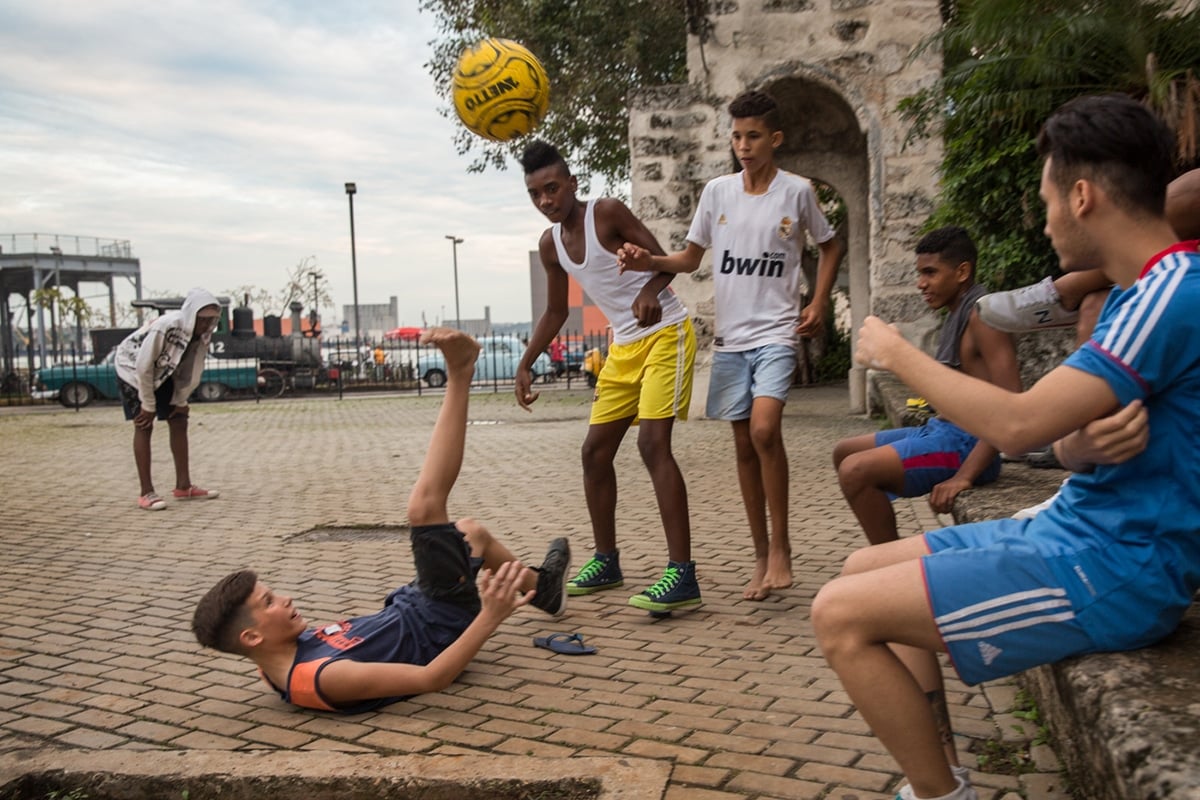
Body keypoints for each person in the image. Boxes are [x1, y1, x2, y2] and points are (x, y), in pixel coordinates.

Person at [811, 93, 1200, 800]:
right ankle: (942, 768)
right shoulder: (1138, 294)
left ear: (1081, 196)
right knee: (859, 566)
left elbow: (1021, 427)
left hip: (1116, 569)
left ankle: (939, 793)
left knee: (838, 614)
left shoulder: (1171, 294)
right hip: (1073, 529)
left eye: (1047, 197)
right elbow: (1077, 440)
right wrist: (1091, 440)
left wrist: (897, 354)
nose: (1046, 217)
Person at [192, 328, 571, 713]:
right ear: (253, 636)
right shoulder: (321, 679)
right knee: (424, 510)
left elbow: (260, 655)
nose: (285, 598)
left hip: (414, 606)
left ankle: (544, 588)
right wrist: (490, 616)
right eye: (269, 601)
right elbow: (432, 679)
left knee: (469, 533)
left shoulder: (272, 662)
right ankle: (461, 371)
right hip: (440, 621)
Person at [618, 90, 844, 600]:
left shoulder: (797, 192)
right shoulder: (718, 193)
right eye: (737, 136)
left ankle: (783, 546)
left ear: (775, 138)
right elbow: (690, 259)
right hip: (731, 339)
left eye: (754, 136)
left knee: (766, 430)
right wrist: (645, 262)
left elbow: (831, 246)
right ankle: (761, 556)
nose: (743, 145)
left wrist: (819, 301)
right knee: (744, 445)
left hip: (778, 332)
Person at [516, 141, 700, 614]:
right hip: (623, 347)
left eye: (552, 189)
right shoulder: (550, 245)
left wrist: (650, 291)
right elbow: (557, 310)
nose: (545, 201)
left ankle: (682, 574)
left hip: (665, 335)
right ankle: (607, 560)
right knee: (594, 453)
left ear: (573, 184)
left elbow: (664, 263)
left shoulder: (607, 213)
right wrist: (526, 361)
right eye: (535, 194)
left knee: (652, 445)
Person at [975, 166, 1200, 518]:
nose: (1049, 226)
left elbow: (1018, 427)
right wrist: (1073, 450)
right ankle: (1085, 481)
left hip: (1140, 545)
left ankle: (1067, 291)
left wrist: (897, 354)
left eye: (1051, 206)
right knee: (1097, 305)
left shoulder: (1179, 290)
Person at [831, 227, 1020, 544]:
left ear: (962, 272)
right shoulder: (957, 312)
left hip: (967, 445)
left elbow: (1012, 405)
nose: (921, 284)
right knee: (844, 452)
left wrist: (965, 476)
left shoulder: (983, 316)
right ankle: (891, 547)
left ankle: (888, 567)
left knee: (856, 471)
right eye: (919, 274)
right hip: (941, 430)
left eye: (930, 273)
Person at [114, 287, 223, 511]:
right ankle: (146, 493)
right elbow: (143, 366)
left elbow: (192, 368)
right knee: (144, 423)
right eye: (202, 319)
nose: (206, 324)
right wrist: (147, 405)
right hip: (132, 369)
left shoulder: (203, 334)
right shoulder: (167, 326)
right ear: (191, 314)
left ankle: (183, 486)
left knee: (179, 419)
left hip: (163, 371)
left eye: (211, 320)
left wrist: (180, 400)